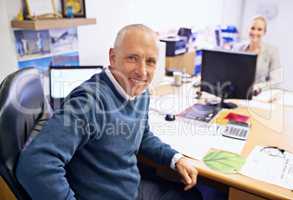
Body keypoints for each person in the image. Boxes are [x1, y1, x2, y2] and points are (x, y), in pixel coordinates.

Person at [16, 24, 202, 200]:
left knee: (192, 194)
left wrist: (175, 158)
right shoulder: (90, 102)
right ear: (112, 57)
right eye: (132, 58)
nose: (142, 72)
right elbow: (35, 164)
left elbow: (142, 134)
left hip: (130, 188)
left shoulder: (140, 92)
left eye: (150, 62)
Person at [234, 16, 282, 88]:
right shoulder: (237, 48)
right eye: (252, 28)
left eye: (259, 29)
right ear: (248, 29)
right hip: (237, 91)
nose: (255, 32)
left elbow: (276, 80)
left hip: (259, 94)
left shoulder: (273, 51)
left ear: (264, 32)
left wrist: (258, 87)